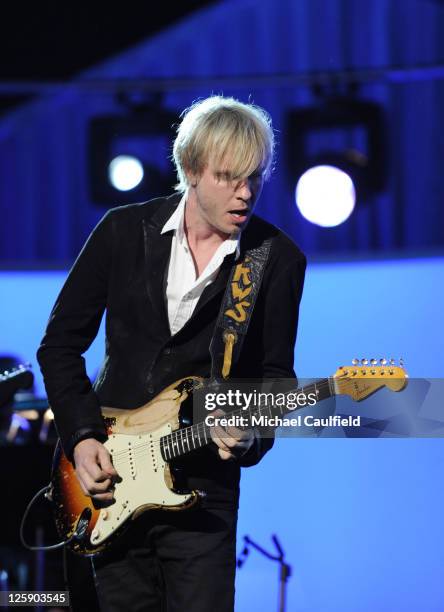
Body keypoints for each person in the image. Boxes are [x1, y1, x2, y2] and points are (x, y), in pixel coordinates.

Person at [37, 95, 306, 612]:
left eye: (255, 178)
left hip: (203, 493)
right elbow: (60, 344)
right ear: (191, 169)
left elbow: (276, 378)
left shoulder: (276, 260)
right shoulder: (122, 231)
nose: (245, 193)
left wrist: (250, 436)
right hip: (110, 485)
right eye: (229, 176)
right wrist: (82, 436)